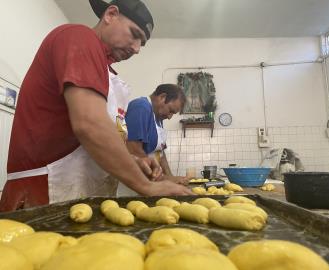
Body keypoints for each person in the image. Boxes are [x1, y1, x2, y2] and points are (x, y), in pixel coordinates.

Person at [0, 0, 192, 212]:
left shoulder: (106, 73)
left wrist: (132, 159)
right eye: (134, 34)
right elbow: (90, 124)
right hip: (42, 193)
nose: (137, 48)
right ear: (110, 14)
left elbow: (85, 143)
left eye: (142, 43)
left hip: (75, 197)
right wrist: (146, 186)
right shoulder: (78, 37)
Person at [121, 84, 190, 193]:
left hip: (152, 180)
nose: (169, 117)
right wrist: (164, 179)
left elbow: (161, 154)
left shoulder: (158, 118)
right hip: (136, 182)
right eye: (171, 110)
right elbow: (133, 150)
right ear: (162, 97)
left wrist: (171, 178)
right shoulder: (141, 107)